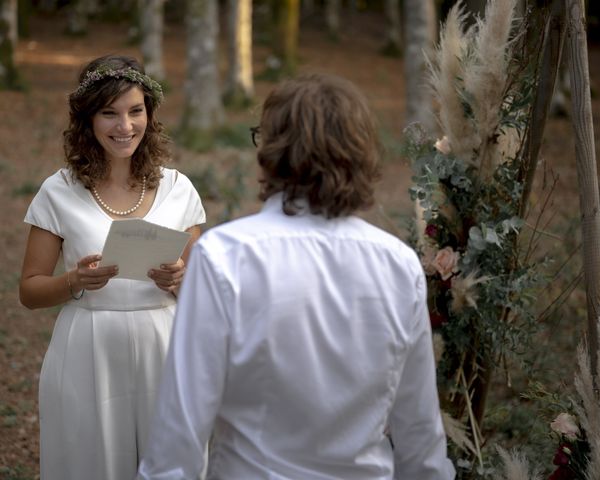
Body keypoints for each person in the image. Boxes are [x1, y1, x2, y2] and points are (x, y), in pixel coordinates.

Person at [138, 73, 455, 479]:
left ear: (273, 151)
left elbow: (181, 428)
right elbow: (420, 434)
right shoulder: (397, 263)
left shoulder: (225, 257)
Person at [19, 54, 206, 480]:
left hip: (165, 344)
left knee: (167, 463)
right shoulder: (58, 191)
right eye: (110, 114)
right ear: (87, 120)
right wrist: (74, 280)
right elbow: (28, 291)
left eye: (135, 111)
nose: (125, 127)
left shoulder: (179, 189)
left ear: (149, 114)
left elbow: (203, 293)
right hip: (88, 347)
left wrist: (179, 278)